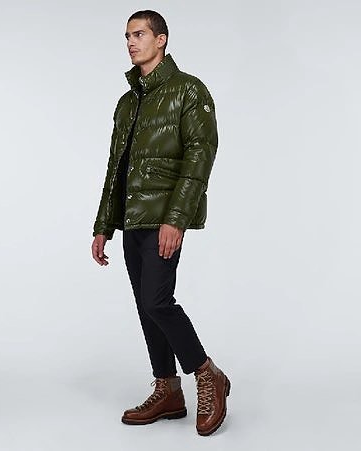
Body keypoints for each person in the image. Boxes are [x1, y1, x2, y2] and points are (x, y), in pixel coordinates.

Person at [91, 10, 231, 436]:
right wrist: (103, 225)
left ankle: (207, 373)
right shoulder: (127, 102)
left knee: (157, 301)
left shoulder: (189, 90)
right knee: (145, 306)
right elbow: (116, 168)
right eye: (127, 36)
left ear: (161, 39)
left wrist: (177, 219)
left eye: (139, 34)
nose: (131, 43)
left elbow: (200, 156)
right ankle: (168, 390)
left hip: (164, 217)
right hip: (132, 219)